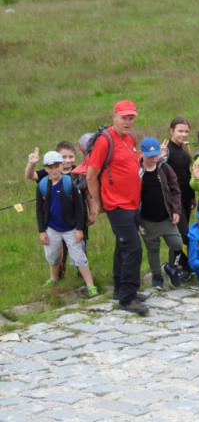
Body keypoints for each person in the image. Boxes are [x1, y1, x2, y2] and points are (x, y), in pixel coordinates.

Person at [86, 100, 147, 315]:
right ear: (114, 117)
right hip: (117, 204)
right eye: (124, 118)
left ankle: (120, 290)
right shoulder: (105, 141)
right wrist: (99, 203)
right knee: (133, 248)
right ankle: (128, 298)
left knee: (123, 246)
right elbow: (91, 176)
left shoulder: (130, 137)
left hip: (132, 202)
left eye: (131, 118)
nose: (128, 122)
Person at [36, 151, 98, 298]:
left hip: (71, 228)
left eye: (57, 166)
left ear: (61, 165)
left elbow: (79, 208)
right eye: (50, 167)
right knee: (53, 256)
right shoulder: (42, 185)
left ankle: (90, 285)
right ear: (45, 168)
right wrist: (42, 231)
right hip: (52, 228)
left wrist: (79, 229)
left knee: (79, 257)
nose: (54, 170)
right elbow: (39, 210)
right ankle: (54, 279)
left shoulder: (70, 182)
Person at [137, 137, 183, 290]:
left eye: (155, 155)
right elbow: (132, 197)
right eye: (149, 156)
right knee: (153, 248)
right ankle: (156, 275)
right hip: (147, 220)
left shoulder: (164, 168)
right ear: (142, 153)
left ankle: (172, 268)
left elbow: (175, 190)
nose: (153, 159)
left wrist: (176, 210)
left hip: (166, 218)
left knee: (177, 244)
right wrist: (136, 220)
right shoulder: (137, 172)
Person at [161, 116, 194, 278]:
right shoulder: (167, 150)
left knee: (181, 234)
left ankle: (179, 265)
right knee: (182, 234)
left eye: (186, 131)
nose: (184, 134)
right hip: (175, 199)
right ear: (171, 131)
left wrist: (192, 197)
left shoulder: (183, 148)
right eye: (180, 131)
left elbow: (186, 174)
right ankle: (177, 266)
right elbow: (160, 171)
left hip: (186, 197)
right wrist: (161, 156)